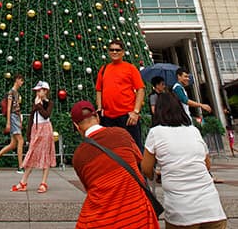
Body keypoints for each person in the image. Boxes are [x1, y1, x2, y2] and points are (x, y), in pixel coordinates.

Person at [142, 92, 226, 229]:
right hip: (212, 209)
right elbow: (207, 165)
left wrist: (157, 175)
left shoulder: (155, 133)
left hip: (182, 213)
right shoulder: (193, 130)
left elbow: (146, 168)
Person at [71, 100, 159, 229]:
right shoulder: (122, 134)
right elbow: (140, 162)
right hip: (139, 215)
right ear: (97, 117)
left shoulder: (79, 156)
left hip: (100, 220)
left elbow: (89, 188)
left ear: (76, 126)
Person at [95, 38, 145, 150]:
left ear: (122, 52)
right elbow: (99, 90)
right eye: (112, 49)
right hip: (108, 118)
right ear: (108, 52)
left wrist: (136, 112)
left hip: (127, 117)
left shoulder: (130, 68)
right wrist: (99, 109)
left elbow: (140, 89)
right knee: (111, 149)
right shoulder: (104, 69)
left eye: (117, 50)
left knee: (134, 148)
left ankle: (137, 168)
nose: (114, 52)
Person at [11, 80, 56, 193]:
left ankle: (43, 182)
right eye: (36, 91)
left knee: (45, 155)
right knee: (31, 154)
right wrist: (29, 134)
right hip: (36, 129)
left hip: (45, 129)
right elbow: (32, 118)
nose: (37, 93)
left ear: (45, 91)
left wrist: (39, 105)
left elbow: (46, 115)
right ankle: (23, 182)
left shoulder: (49, 103)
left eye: (39, 90)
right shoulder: (35, 102)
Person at [0, 73, 24, 173]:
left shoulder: (16, 92)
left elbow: (17, 107)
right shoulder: (11, 92)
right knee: (20, 141)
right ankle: (20, 166)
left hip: (16, 117)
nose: (22, 83)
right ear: (17, 79)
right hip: (13, 117)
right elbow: (9, 108)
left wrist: (20, 119)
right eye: (21, 80)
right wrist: (8, 122)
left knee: (13, 144)